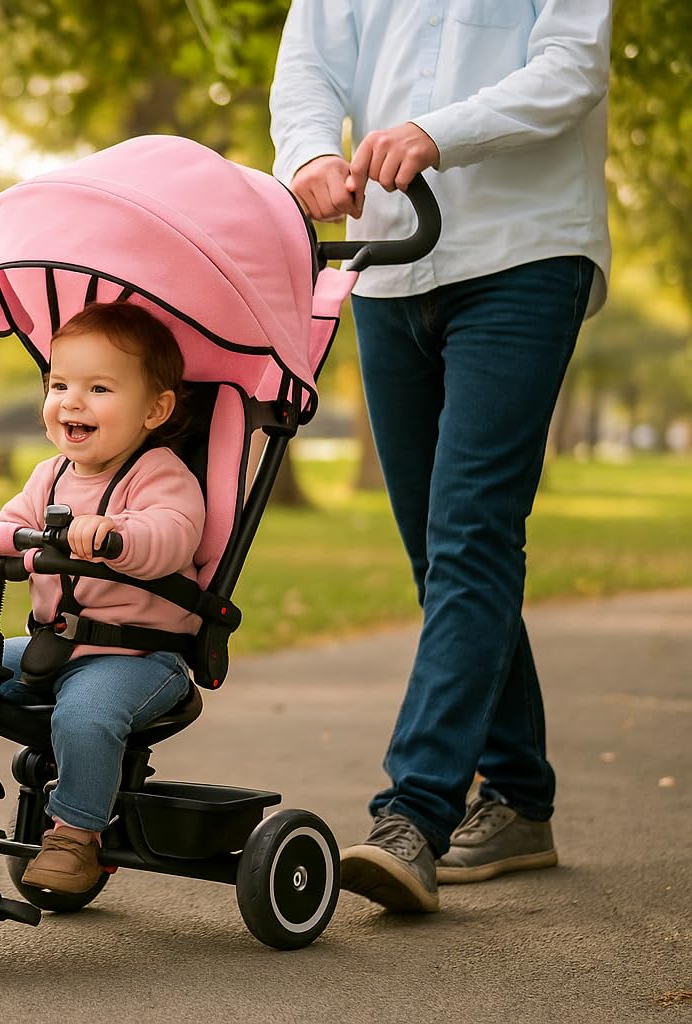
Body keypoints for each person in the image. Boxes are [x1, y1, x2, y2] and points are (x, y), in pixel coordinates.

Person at [270, 1, 612, 912]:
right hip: (391, 261)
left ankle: (413, 815)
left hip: (524, 252)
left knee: (470, 531)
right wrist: (308, 154)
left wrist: (436, 131)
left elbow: (573, 68)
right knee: (443, 548)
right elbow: (309, 65)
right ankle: (521, 799)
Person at [0, 301, 205, 894]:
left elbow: (170, 536)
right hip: (55, 646)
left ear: (154, 409)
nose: (72, 401)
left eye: (98, 387)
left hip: (140, 658)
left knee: (86, 716)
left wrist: (117, 536)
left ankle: (76, 835)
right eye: (59, 383)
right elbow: (4, 539)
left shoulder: (160, 475)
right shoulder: (51, 477)